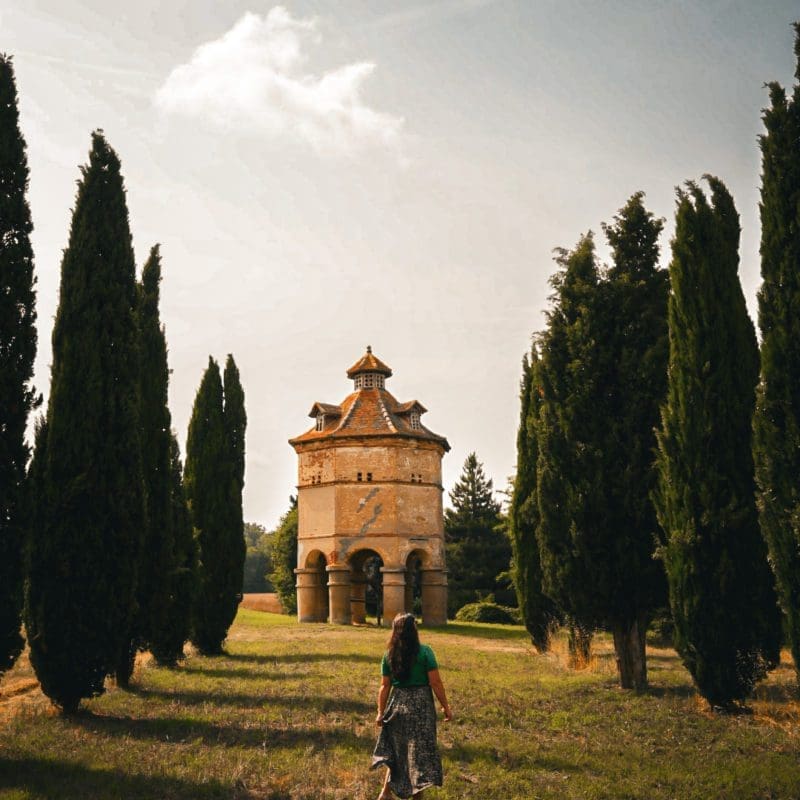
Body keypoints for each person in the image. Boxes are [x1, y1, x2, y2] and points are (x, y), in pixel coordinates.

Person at [371, 613, 452, 799]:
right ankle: (417, 796)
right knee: (418, 754)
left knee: (397, 751)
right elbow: (436, 683)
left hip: (397, 706)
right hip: (421, 707)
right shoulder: (425, 652)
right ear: (413, 631)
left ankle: (385, 793)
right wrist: (446, 707)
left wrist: (380, 713)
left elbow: (384, 686)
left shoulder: (389, 655)